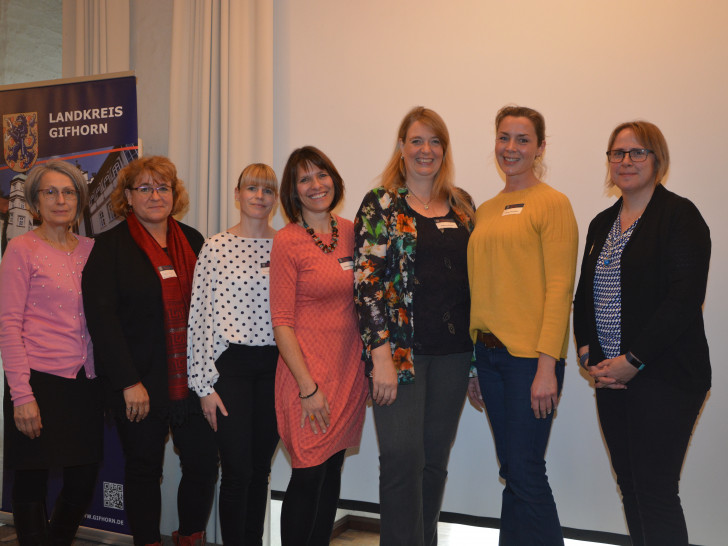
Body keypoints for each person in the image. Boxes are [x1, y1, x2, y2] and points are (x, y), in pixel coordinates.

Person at [573, 121, 710, 546]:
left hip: (665, 377)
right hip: (611, 378)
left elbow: (684, 299)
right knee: (630, 485)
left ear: (657, 159)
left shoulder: (679, 216)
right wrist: (586, 353)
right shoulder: (602, 223)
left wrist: (633, 361)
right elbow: (583, 296)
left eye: (637, 152)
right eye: (618, 153)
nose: (626, 161)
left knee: (655, 491)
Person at [354, 106, 475, 546]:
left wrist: (476, 366)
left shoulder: (463, 206)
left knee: (434, 461)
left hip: (455, 353)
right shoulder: (381, 203)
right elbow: (365, 283)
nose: (426, 150)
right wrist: (380, 356)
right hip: (398, 354)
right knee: (403, 459)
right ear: (402, 148)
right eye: (417, 141)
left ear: (445, 149)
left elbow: (474, 287)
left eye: (435, 141)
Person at [82, 156, 218, 546]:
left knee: (204, 463)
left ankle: (189, 536)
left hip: (192, 382)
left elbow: (209, 313)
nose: (155, 195)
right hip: (138, 383)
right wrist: (128, 382)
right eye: (145, 188)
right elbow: (102, 322)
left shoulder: (194, 241)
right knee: (143, 468)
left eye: (163, 187)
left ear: (174, 194)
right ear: (127, 196)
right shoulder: (108, 248)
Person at [467, 105, 578, 545]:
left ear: (540, 147)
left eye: (522, 139)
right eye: (504, 138)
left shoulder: (553, 204)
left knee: (526, 471)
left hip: (531, 359)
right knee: (512, 469)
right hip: (489, 357)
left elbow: (558, 289)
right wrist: (474, 364)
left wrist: (547, 367)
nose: (510, 148)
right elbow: (482, 288)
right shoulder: (488, 209)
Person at [0, 160, 103, 545]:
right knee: (31, 483)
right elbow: (8, 325)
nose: (61, 200)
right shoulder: (21, 249)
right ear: (34, 202)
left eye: (69, 191)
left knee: (82, 482)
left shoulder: (94, 250)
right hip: (39, 383)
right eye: (50, 192)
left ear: (79, 198)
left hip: (85, 384)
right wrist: (21, 395)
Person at [270, 146, 367, 546]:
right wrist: (307, 387)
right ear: (293, 191)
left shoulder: (351, 230)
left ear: (334, 179)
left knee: (330, 474)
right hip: (305, 378)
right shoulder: (287, 241)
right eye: (304, 179)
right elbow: (282, 323)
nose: (316, 185)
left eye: (321, 174)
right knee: (308, 474)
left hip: (349, 374)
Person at [187, 163, 280, 545]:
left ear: (276, 198)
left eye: (268, 190)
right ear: (237, 194)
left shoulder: (287, 244)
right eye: (252, 188)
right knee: (237, 471)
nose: (259, 196)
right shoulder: (215, 246)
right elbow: (199, 317)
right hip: (232, 369)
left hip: (278, 366)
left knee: (260, 471)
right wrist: (203, 385)